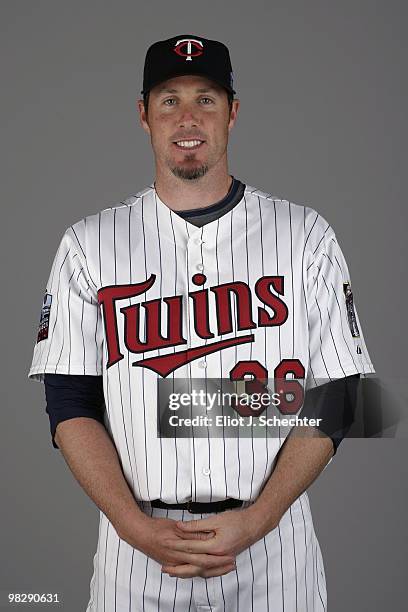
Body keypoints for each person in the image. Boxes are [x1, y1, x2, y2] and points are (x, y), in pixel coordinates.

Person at [28, 34, 375, 611]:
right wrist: (131, 526)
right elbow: (70, 401)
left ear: (233, 112)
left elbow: (341, 393)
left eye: (206, 99)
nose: (188, 118)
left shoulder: (304, 235)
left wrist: (261, 517)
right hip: (134, 552)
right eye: (169, 99)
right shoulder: (89, 246)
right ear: (144, 115)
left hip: (273, 550)